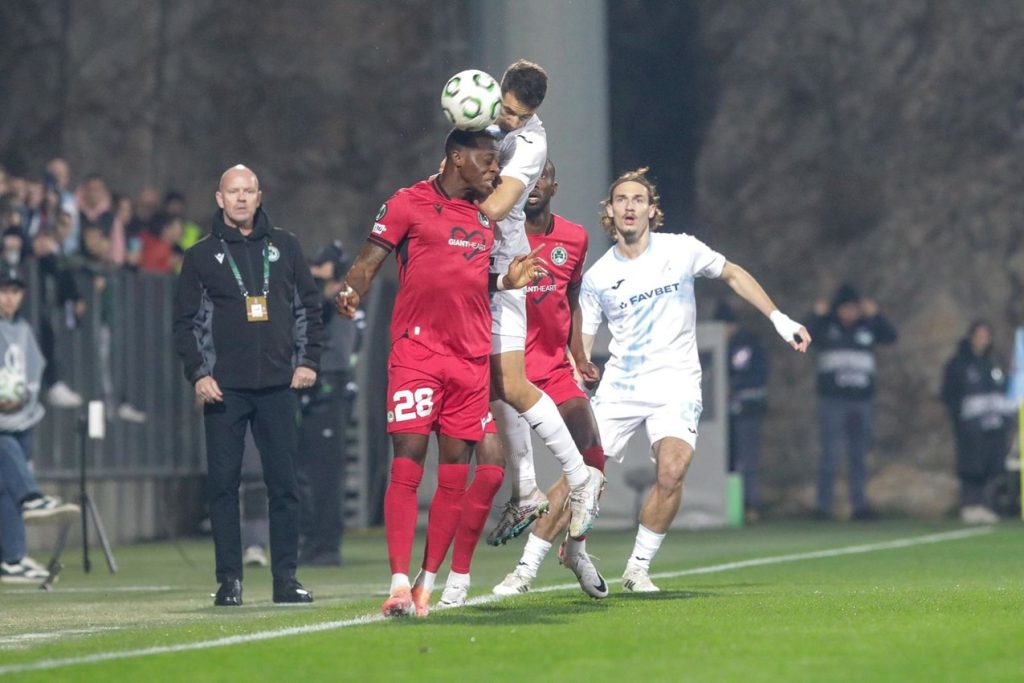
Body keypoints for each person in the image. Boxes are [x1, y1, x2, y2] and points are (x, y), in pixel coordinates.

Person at [334, 128, 544, 618]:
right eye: (487, 160)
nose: (495, 170)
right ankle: (397, 583)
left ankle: (426, 585)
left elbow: (468, 276)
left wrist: (505, 280)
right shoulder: (407, 203)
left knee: (453, 478)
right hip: (417, 352)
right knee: (407, 464)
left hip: (469, 360)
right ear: (456, 157)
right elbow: (369, 259)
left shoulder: (485, 215)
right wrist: (352, 291)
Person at [578, 168, 811, 592]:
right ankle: (527, 568)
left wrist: (779, 318)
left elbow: (733, 273)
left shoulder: (681, 249)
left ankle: (637, 568)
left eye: (638, 199)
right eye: (621, 199)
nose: (629, 206)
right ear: (609, 211)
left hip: (676, 384)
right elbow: (584, 342)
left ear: (652, 210)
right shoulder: (597, 277)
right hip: (622, 387)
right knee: (579, 477)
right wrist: (575, 375)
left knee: (672, 472)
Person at [173, 164, 322, 606]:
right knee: (223, 486)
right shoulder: (201, 255)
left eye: (248, 191)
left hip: (278, 385)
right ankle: (229, 581)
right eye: (233, 191)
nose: (241, 198)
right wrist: (199, 373)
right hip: (224, 390)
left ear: (260, 196)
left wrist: (307, 361)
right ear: (219, 198)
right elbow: (184, 323)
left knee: (284, 486)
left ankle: (285, 579)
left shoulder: (286, 246)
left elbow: (309, 307)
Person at [477, 60, 603, 550]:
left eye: (519, 115)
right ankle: (526, 489)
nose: (510, 121)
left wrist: (443, 209)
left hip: (504, 266)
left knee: (511, 383)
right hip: (482, 266)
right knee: (497, 383)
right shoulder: (484, 113)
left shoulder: (531, 145)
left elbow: (497, 205)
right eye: (507, 110)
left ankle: (579, 478)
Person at [486, 159, 609, 599]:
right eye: (528, 177)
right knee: (486, 471)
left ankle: (569, 553)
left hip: (553, 370)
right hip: (504, 373)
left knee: (593, 457)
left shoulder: (574, 238)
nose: (534, 184)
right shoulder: (497, 235)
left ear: (554, 186)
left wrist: (579, 355)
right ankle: (451, 578)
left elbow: (571, 299)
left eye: (543, 177)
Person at [0, 264, 80, 584]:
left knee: (6, 490)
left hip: (20, 417)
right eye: (3, 291)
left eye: (14, 291)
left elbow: (31, 369)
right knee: (8, 459)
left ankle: (12, 557)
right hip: (5, 422)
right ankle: (33, 497)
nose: (9, 298)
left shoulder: (22, 329)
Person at [296, 240, 364, 566]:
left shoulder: (343, 305)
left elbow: (338, 356)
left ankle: (326, 545)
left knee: (326, 475)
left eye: (319, 266)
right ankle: (312, 540)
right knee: (307, 475)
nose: (313, 272)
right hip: (310, 397)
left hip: (328, 395)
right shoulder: (317, 305)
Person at [806, 284, 897, 520]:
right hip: (833, 400)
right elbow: (803, 337)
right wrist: (816, 315)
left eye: (853, 308)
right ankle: (824, 506)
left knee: (859, 454)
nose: (849, 313)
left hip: (861, 400)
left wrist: (876, 315)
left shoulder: (867, 327)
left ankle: (859, 504)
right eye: (845, 308)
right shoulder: (827, 327)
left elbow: (891, 336)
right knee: (831, 453)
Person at [941, 320, 1012, 524]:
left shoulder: (994, 363)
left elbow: (1003, 389)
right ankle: (969, 504)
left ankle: (984, 505)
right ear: (971, 337)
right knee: (970, 464)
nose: (982, 340)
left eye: (986, 336)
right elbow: (949, 393)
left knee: (990, 464)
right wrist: (959, 416)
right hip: (969, 425)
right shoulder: (958, 364)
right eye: (979, 335)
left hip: (993, 424)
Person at [713, 300, 769, 521]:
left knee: (747, 460)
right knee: (723, 459)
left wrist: (734, 386)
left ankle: (750, 505)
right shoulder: (714, 347)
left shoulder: (747, 344)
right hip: (720, 416)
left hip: (747, 411)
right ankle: (724, 507)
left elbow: (758, 374)